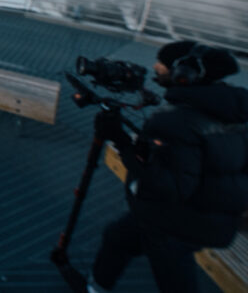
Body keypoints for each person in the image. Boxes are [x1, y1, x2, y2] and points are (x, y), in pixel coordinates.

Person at [89, 40, 248, 293]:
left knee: (175, 280)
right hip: (215, 214)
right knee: (116, 238)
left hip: (179, 222)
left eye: (162, 62)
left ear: (185, 73)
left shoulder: (176, 121)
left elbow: (166, 187)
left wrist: (122, 142)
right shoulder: (233, 109)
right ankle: (97, 286)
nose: (155, 66)